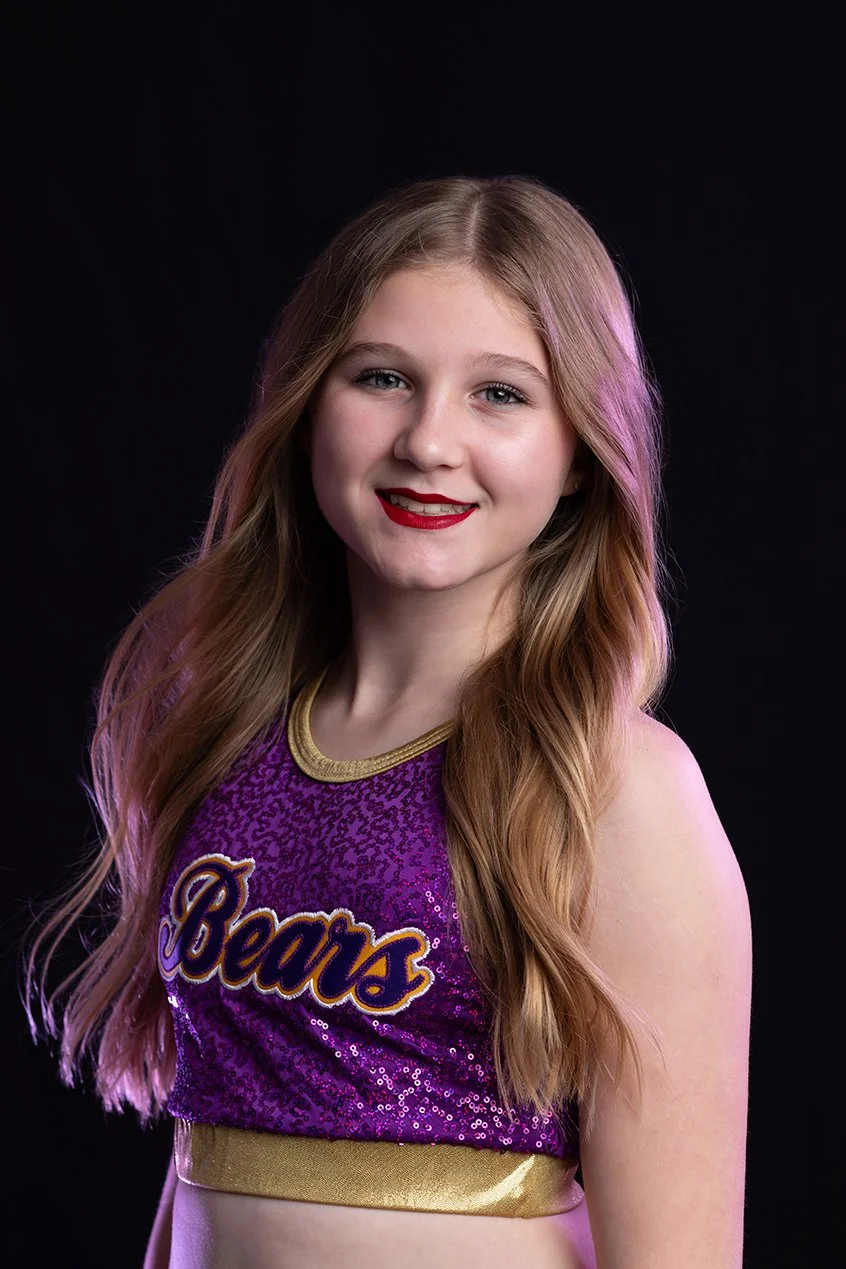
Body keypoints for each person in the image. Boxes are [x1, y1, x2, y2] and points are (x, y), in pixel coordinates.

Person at [25, 174, 753, 1269]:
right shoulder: (225, 733)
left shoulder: (617, 786)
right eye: (383, 378)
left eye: (501, 395)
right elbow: (199, 1162)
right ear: (307, 405)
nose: (427, 440)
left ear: (576, 459)